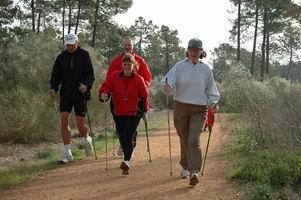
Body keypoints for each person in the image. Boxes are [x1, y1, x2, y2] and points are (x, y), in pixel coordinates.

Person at [161, 38, 220, 186]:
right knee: (184, 138)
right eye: (191, 50)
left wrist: (213, 102)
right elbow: (168, 81)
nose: (193, 53)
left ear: (201, 52)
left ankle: (194, 171)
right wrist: (168, 87)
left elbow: (211, 91)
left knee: (193, 140)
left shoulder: (206, 69)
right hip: (181, 106)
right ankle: (185, 166)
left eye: (196, 50)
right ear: (187, 51)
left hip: (199, 108)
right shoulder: (180, 66)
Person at [99, 53, 149, 175]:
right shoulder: (114, 76)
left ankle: (126, 161)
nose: (126, 67)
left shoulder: (139, 79)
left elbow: (144, 96)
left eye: (129, 64)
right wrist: (104, 94)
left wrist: (144, 112)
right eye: (124, 64)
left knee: (128, 135)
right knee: (121, 135)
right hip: (118, 112)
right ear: (122, 65)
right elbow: (105, 87)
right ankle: (127, 158)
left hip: (134, 113)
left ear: (134, 65)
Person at [49, 33, 95, 163]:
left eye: (72, 44)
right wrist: (53, 88)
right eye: (67, 44)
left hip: (80, 93)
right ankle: (67, 152)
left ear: (77, 42)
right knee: (64, 120)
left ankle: (87, 138)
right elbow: (55, 76)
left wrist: (86, 86)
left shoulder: (84, 55)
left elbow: (90, 74)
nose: (69, 46)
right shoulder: (61, 58)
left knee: (80, 124)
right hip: (66, 94)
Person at [105, 36, 152, 156]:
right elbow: (109, 79)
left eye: (129, 45)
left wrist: (142, 90)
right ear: (122, 46)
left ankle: (129, 147)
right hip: (118, 100)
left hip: (134, 101)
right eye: (125, 45)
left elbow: (147, 79)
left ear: (133, 46)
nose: (127, 47)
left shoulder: (140, 61)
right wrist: (106, 92)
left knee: (131, 127)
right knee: (120, 127)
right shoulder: (116, 61)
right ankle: (125, 145)